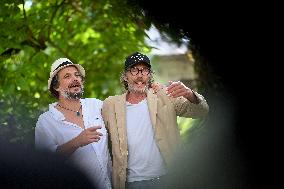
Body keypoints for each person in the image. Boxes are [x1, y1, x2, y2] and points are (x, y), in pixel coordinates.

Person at [102, 52, 209, 189]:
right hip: (129, 183)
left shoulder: (165, 96)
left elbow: (202, 111)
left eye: (145, 70)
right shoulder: (110, 105)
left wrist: (189, 94)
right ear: (125, 76)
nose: (140, 74)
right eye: (134, 70)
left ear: (150, 75)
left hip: (167, 179)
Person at [35, 58, 112, 189]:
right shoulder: (45, 121)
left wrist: (151, 89)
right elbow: (45, 162)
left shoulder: (96, 105)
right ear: (56, 86)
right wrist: (77, 141)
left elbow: (123, 110)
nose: (75, 79)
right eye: (67, 76)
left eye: (77, 75)